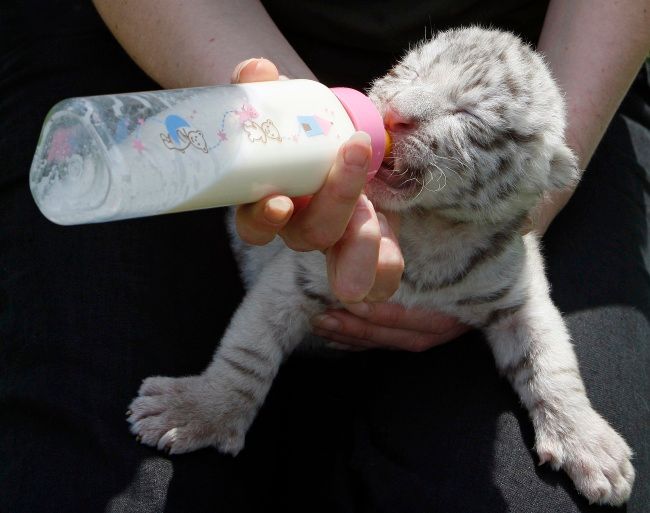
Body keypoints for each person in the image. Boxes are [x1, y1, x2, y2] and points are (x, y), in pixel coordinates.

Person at [0, 0, 648, 511]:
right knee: (92, 467)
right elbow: (288, 291)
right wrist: (291, 126)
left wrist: (510, 217)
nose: (405, 113)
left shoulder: (519, 170)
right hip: (176, 39)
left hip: (563, 72)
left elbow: (522, 310)